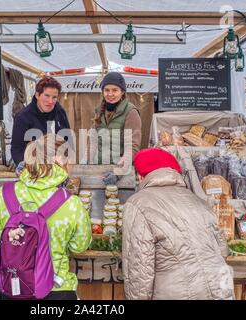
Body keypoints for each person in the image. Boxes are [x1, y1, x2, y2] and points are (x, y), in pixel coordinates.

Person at [0, 134, 92, 300]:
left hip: (11, 287)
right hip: (57, 288)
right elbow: (80, 246)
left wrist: (6, 275)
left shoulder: (3, 194)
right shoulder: (71, 204)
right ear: (60, 161)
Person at [123, 148, 234, 300]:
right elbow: (223, 251)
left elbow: (140, 271)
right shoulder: (199, 202)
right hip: (221, 288)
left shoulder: (137, 203)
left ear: (140, 176)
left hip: (178, 293)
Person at [89, 72, 142, 185]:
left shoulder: (131, 112)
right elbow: (93, 140)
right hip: (99, 169)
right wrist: (89, 162)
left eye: (115, 90)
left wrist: (118, 173)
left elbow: (132, 147)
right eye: (107, 90)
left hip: (121, 173)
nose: (110, 94)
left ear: (122, 92)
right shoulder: (99, 111)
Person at [11, 76, 71, 170]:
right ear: (37, 95)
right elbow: (17, 148)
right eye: (46, 96)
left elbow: (68, 138)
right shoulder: (23, 117)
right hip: (35, 169)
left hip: (58, 167)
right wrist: (25, 167)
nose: (50, 101)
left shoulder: (60, 112)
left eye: (54, 97)